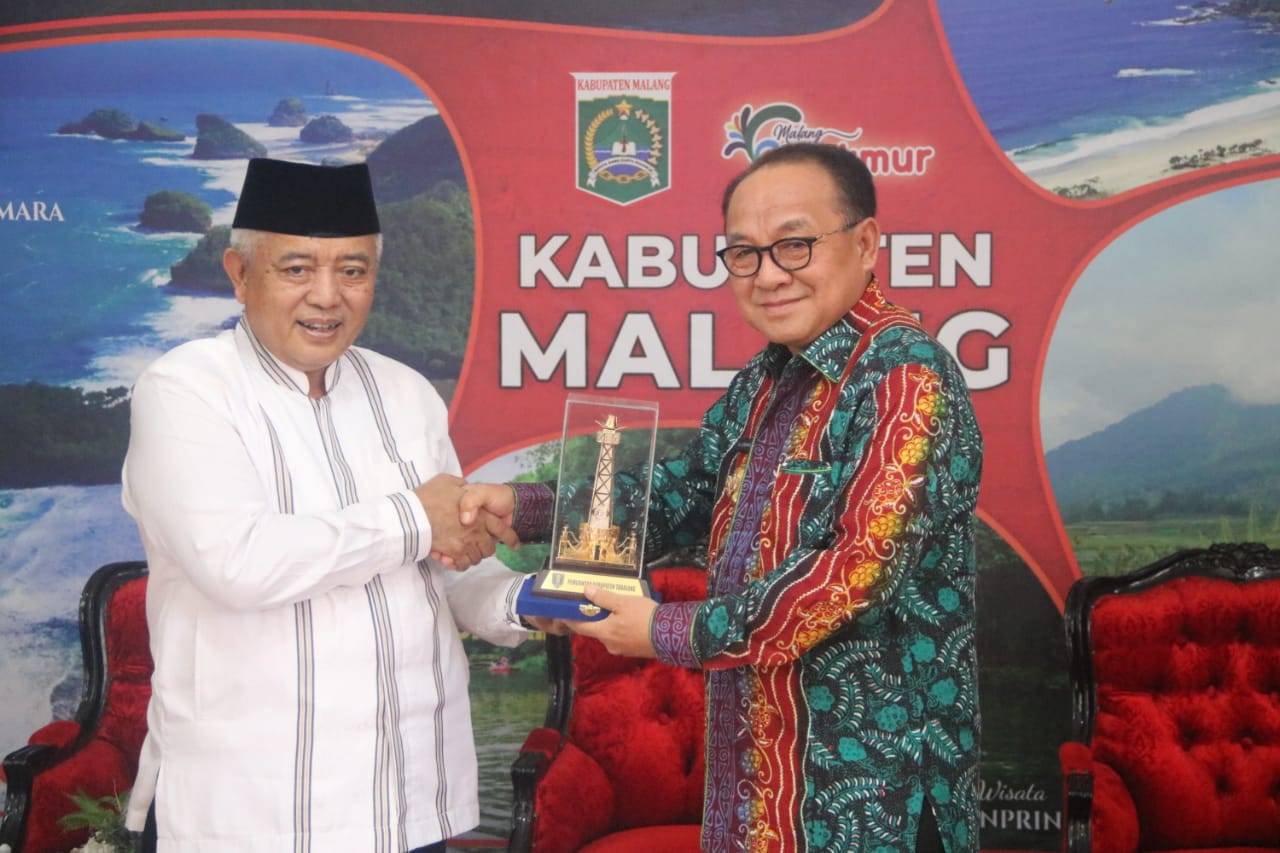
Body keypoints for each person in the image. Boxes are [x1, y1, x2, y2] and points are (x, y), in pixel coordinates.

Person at [461, 143, 983, 852]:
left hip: (869, 800)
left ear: (865, 244)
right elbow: (683, 494)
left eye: (794, 245)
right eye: (745, 253)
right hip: (753, 787)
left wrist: (665, 630)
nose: (768, 275)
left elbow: (851, 574)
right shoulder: (768, 380)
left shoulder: (906, 379)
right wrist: (521, 508)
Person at [121, 158, 541, 853]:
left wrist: (529, 601)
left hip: (408, 805)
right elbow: (240, 563)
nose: (327, 296)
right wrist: (413, 516)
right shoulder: (184, 390)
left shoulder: (406, 393)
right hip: (249, 818)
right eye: (296, 269)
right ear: (238, 272)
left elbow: (446, 569)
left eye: (352, 270)